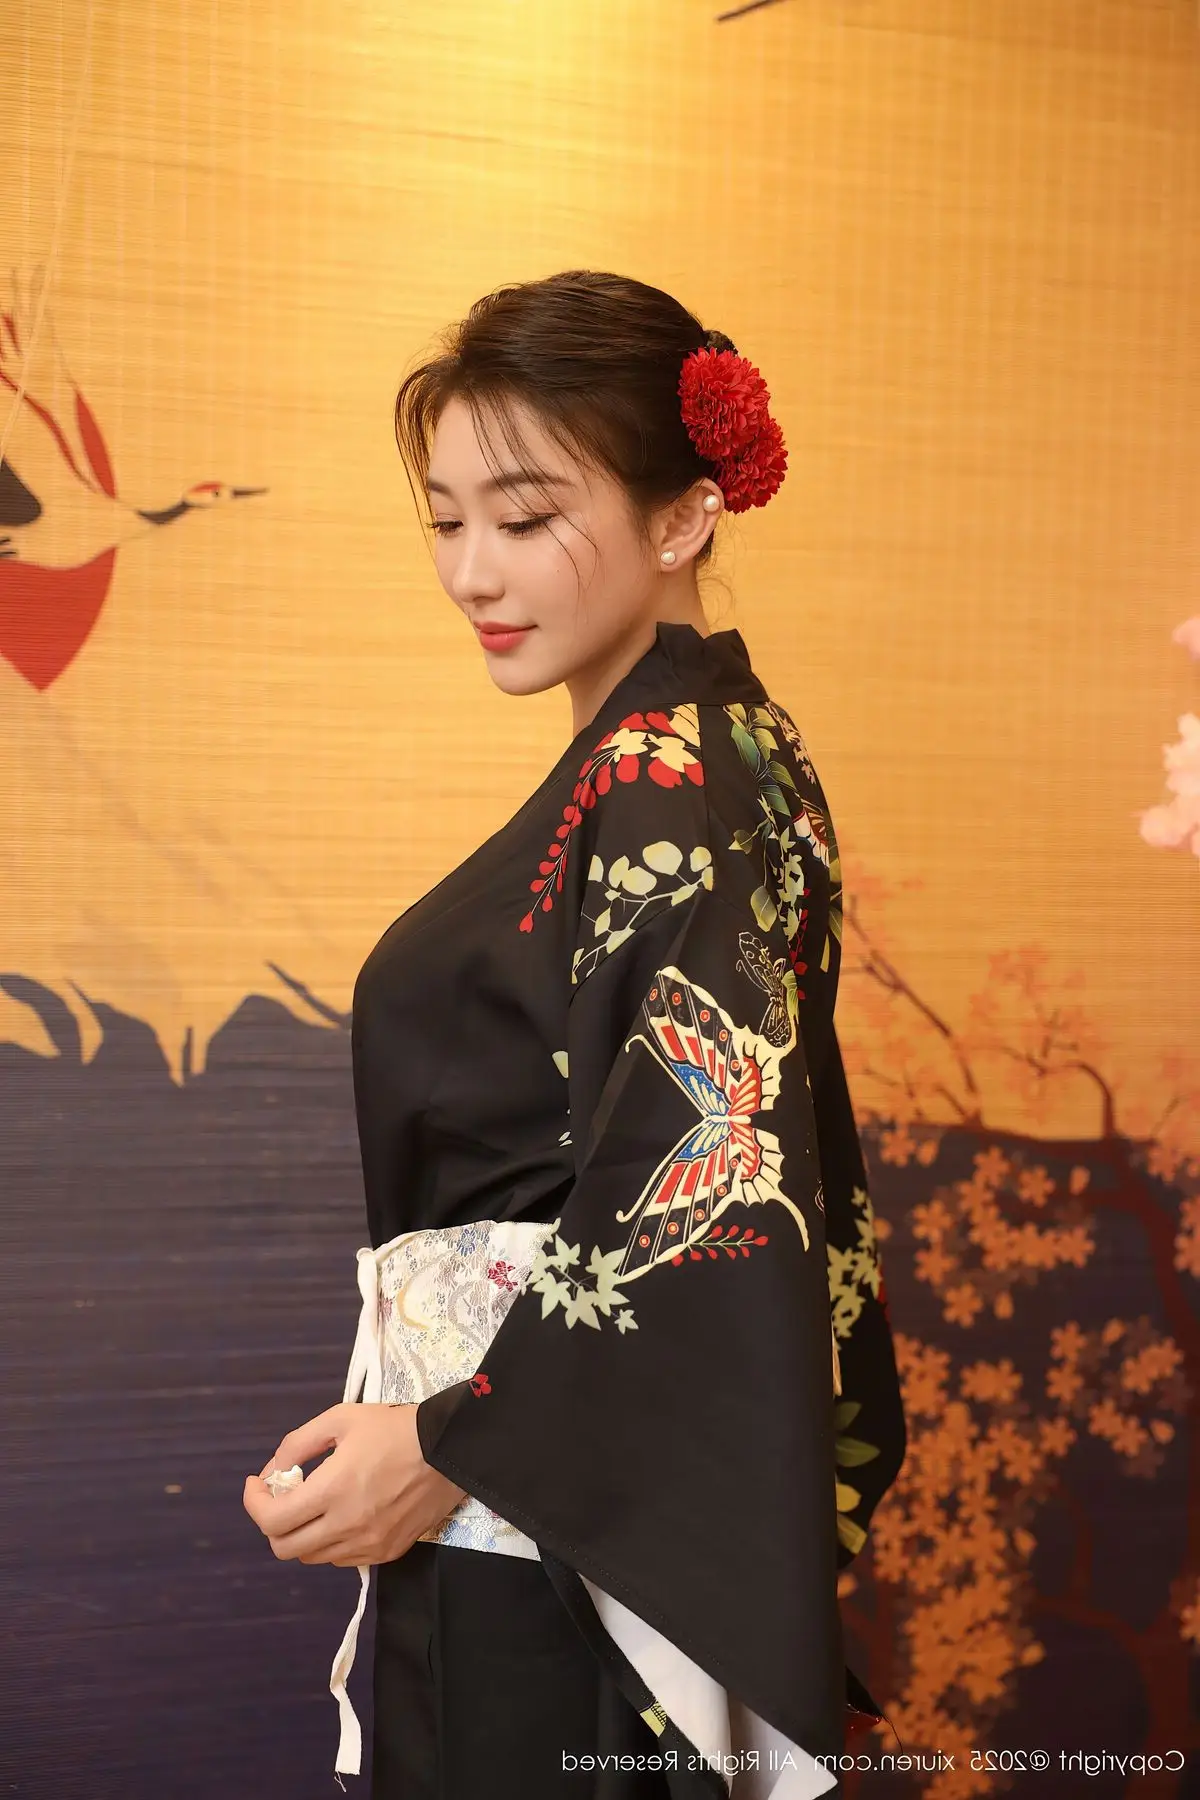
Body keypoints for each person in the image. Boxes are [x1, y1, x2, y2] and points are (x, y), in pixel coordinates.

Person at [242, 270, 906, 1800]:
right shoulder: (683, 752)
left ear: (686, 517)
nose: (474, 570)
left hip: (541, 1517)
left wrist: (453, 1440)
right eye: (445, 519)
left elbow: (709, 1184)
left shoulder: (680, 771)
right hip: (513, 1478)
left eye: (528, 516)